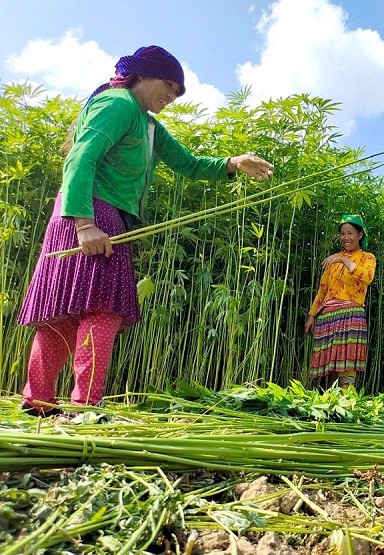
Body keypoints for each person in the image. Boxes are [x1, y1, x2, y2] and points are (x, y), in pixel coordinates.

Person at [17, 45, 274, 416]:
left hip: (98, 217)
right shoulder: (119, 104)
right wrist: (84, 224)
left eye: (178, 91)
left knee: (68, 312)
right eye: (168, 85)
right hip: (90, 214)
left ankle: (38, 402)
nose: (171, 96)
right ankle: (83, 406)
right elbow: (81, 158)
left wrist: (233, 162)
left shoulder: (148, 124)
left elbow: (188, 163)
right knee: (99, 311)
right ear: (141, 75)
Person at [304, 214, 376, 389]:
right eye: (343, 233)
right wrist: (312, 315)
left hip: (351, 314)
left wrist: (344, 260)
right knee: (330, 364)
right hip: (328, 315)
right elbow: (322, 290)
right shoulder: (332, 260)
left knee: (347, 362)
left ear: (360, 235)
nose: (346, 238)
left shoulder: (367, 258)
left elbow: (367, 278)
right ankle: (330, 405)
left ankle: (346, 404)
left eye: (350, 233)